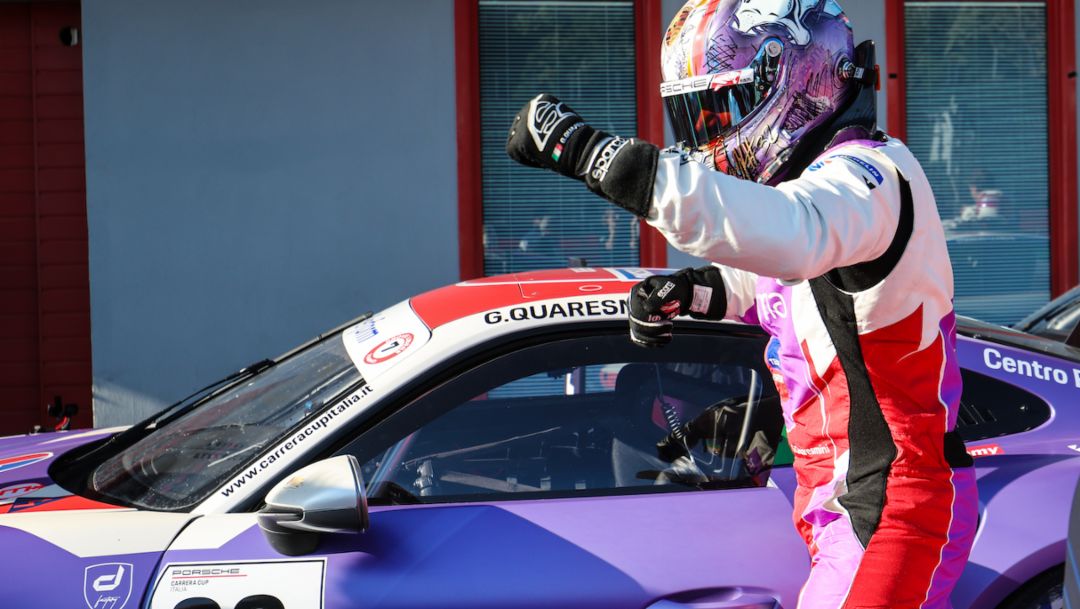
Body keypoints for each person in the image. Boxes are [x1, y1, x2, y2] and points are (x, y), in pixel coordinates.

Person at [504, 1, 977, 607]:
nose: (708, 131)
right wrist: (694, 292)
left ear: (800, 78)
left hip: (893, 506)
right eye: (695, 113)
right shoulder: (823, 189)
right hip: (849, 503)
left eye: (723, 106)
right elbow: (779, 284)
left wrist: (589, 153)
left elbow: (793, 235)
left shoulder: (869, 174)